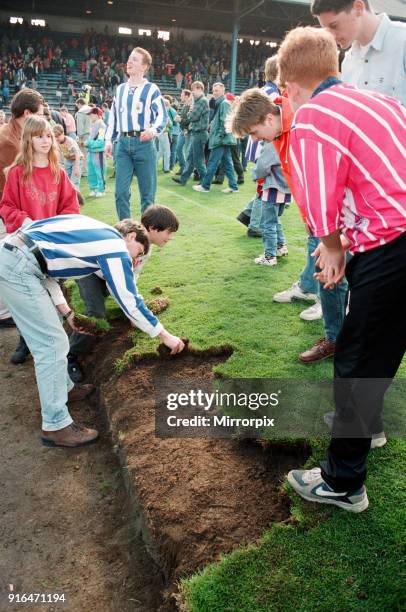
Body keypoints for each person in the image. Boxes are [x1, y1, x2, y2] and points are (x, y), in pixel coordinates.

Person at [275, 26, 406, 512]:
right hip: (396, 236)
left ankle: (342, 482)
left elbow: (317, 196)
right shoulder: (383, 102)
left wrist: (332, 246)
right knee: (383, 348)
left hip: (391, 244)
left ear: (288, 87)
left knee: (354, 357)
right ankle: (367, 428)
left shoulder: (311, 117)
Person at [0, 214, 185, 448]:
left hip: (18, 257)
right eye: (137, 253)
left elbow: (45, 266)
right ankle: (56, 426)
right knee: (51, 345)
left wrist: (67, 312)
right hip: (19, 266)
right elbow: (129, 299)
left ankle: (65, 389)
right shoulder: (116, 247)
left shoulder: (98, 233)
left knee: (55, 340)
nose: (134, 260)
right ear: (130, 236)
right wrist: (164, 335)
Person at [0, 116, 80, 366]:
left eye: (48, 135)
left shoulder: (58, 171)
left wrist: (55, 228)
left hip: (51, 247)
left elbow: (71, 206)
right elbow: (6, 206)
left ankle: (60, 358)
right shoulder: (17, 173)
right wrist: (24, 221)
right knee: (28, 297)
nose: (45, 141)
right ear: (29, 139)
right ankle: (25, 340)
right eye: (39, 136)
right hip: (24, 245)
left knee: (50, 294)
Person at [67, 204, 180, 382]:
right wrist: (132, 310)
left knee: (112, 300)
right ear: (152, 228)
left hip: (107, 274)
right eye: (169, 232)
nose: (170, 237)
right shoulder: (127, 237)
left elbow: (131, 278)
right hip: (89, 271)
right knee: (96, 313)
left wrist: (133, 310)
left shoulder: (144, 249)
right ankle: (70, 356)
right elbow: (119, 283)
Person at [105, 47, 167, 218]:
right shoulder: (120, 89)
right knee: (121, 193)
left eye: (135, 59)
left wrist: (153, 130)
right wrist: (109, 141)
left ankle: (146, 235)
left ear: (144, 66)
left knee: (147, 196)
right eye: (129, 58)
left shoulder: (152, 89)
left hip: (144, 144)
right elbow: (114, 118)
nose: (129, 62)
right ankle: (127, 231)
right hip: (123, 144)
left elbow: (162, 116)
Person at [0, 88, 44, 330]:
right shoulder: (8, 140)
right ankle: (5, 313)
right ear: (26, 113)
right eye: (39, 114)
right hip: (4, 210)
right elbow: (13, 181)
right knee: (7, 260)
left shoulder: (15, 134)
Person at [311, 0, 406, 106]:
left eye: (334, 25)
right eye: (327, 30)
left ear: (358, 8)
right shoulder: (348, 62)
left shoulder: (402, 41)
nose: (331, 36)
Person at [192, 82, 238, 194]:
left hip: (221, 140)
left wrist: (220, 136)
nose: (214, 93)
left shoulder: (224, 103)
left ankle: (205, 186)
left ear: (223, 91)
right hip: (223, 139)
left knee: (212, 162)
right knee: (227, 163)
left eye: (217, 90)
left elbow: (225, 121)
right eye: (213, 91)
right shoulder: (221, 103)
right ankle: (233, 186)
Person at [172, 81, 209, 187]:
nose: (192, 92)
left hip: (199, 133)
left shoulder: (202, 101)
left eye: (193, 89)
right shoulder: (200, 101)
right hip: (197, 133)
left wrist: (189, 112)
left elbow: (193, 117)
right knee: (191, 159)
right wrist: (190, 112)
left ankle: (205, 181)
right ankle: (183, 179)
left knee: (198, 159)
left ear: (199, 88)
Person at [53, 124, 83, 191]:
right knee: (67, 181)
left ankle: (76, 198)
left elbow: (77, 154)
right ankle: (69, 198)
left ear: (63, 133)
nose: (56, 138)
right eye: (55, 137)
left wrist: (77, 167)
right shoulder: (57, 142)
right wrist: (60, 166)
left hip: (77, 160)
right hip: (67, 160)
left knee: (74, 181)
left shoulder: (70, 141)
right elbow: (59, 155)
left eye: (58, 136)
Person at [86, 107, 106, 198]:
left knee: (99, 171)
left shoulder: (101, 125)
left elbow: (100, 141)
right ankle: (93, 188)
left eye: (92, 114)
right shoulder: (92, 124)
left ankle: (101, 189)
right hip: (91, 151)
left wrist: (88, 143)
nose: (90, 116)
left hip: (98, 152)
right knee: (91, 171)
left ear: (97, 115)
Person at [176, 89, 192, 175]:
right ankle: (183, 167)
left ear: (186, 96)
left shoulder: (190, 106)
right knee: (178, 149)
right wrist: (180, 119)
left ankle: (187, 170)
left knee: (187, 152)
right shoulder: (185, 106)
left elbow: (190, 120)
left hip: (188, 132)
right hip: (183, 130)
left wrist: (180, 119)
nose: (180, 96)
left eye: (182, 95)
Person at [75, 98, 91, 177]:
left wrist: (79, 137)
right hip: (93, 134)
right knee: (90, 153)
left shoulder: (80, 112)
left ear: (79, 104)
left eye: (77, 105)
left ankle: (84, 171)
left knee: (83, 153)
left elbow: (80, 126)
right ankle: (89, 170)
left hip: (84, 135)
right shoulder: (91, 109)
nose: (77, 107)